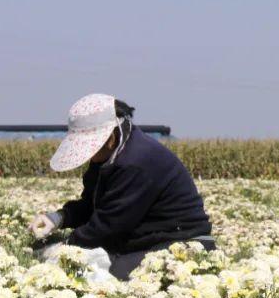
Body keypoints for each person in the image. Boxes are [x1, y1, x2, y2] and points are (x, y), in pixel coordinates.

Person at [28, 93, 214, 279]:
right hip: (145, 239)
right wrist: (59, 218)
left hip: (182, 243)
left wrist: (66, 247)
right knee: (81, 269)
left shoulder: (136, 161)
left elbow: (110, 224)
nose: (89, 155)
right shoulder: (107, 156)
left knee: (94, 276)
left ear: (110, 136)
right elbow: (92, 205)